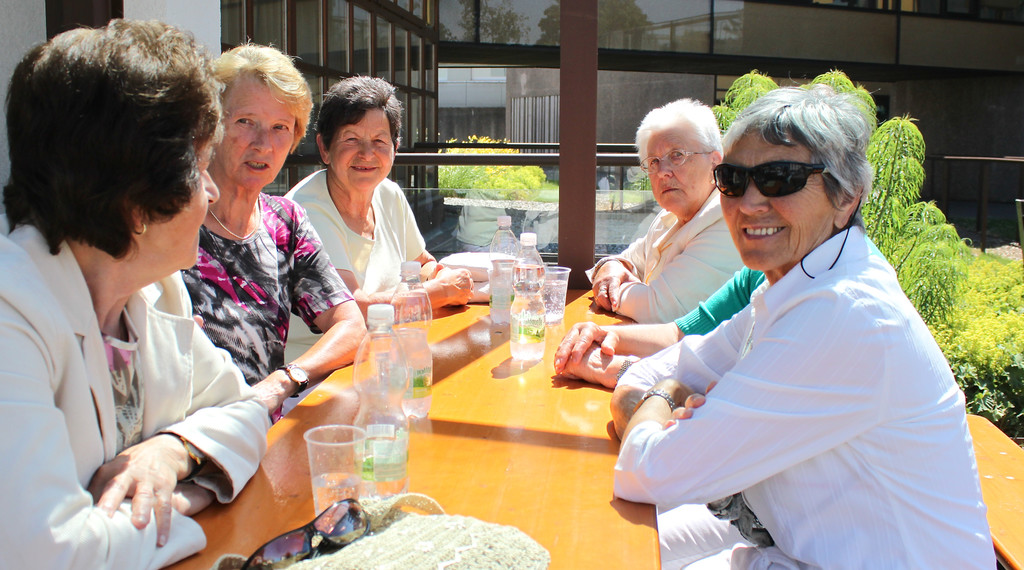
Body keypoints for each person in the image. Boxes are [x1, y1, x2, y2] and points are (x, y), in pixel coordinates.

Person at [613, 86, 993, 569]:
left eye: (780, 179)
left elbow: (646, 471)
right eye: (733, 179)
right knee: (604, 543)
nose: (749, 203)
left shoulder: (845, 313)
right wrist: (669, 398)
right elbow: (646, 379)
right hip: (800, 538)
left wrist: (667, 396)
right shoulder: (793, 287)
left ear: (846, 197)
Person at [0, 20, 268, 568]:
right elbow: (50, 554)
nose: (211, 189)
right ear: (138, 200)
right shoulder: (12, 310)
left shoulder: (155, 291)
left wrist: (173, 451)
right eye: (200, 167)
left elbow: (245, 409)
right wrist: (184, 504)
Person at [182, 44, 365, 418]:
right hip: (186, 435)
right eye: (246, 121)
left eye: (280, 127)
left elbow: (350, 325)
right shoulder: (172, 222)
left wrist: (286, 380)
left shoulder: (284, 221)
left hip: (262, 429)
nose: (263, 144)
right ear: (210, 126)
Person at [285, 75, 474, 333]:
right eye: (351, 139)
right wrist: (439, 291)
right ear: (324, 148)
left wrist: (439, 274)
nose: (366, 153)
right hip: (323, 357)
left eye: (379, 141)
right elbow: (352, 310)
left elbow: (421, 263)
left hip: (386, 346)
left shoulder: (388, 193)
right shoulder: (304, 211)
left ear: (395, 148)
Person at [588, 99, 743, 324]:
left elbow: (659, 309)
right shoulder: (669, 217)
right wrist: (609, 267)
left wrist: (611, 289)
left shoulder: (726, 218)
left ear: (714, 162)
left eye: (677, 155)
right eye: (653, 162)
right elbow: (627, 260)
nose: (662, 172)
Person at [553, 267, 765, 388]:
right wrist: (602, 334)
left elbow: (655, 304)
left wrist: (620, 369)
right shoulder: (757, 274)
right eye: (732, 189)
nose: (748, 207)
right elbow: (680, 334)